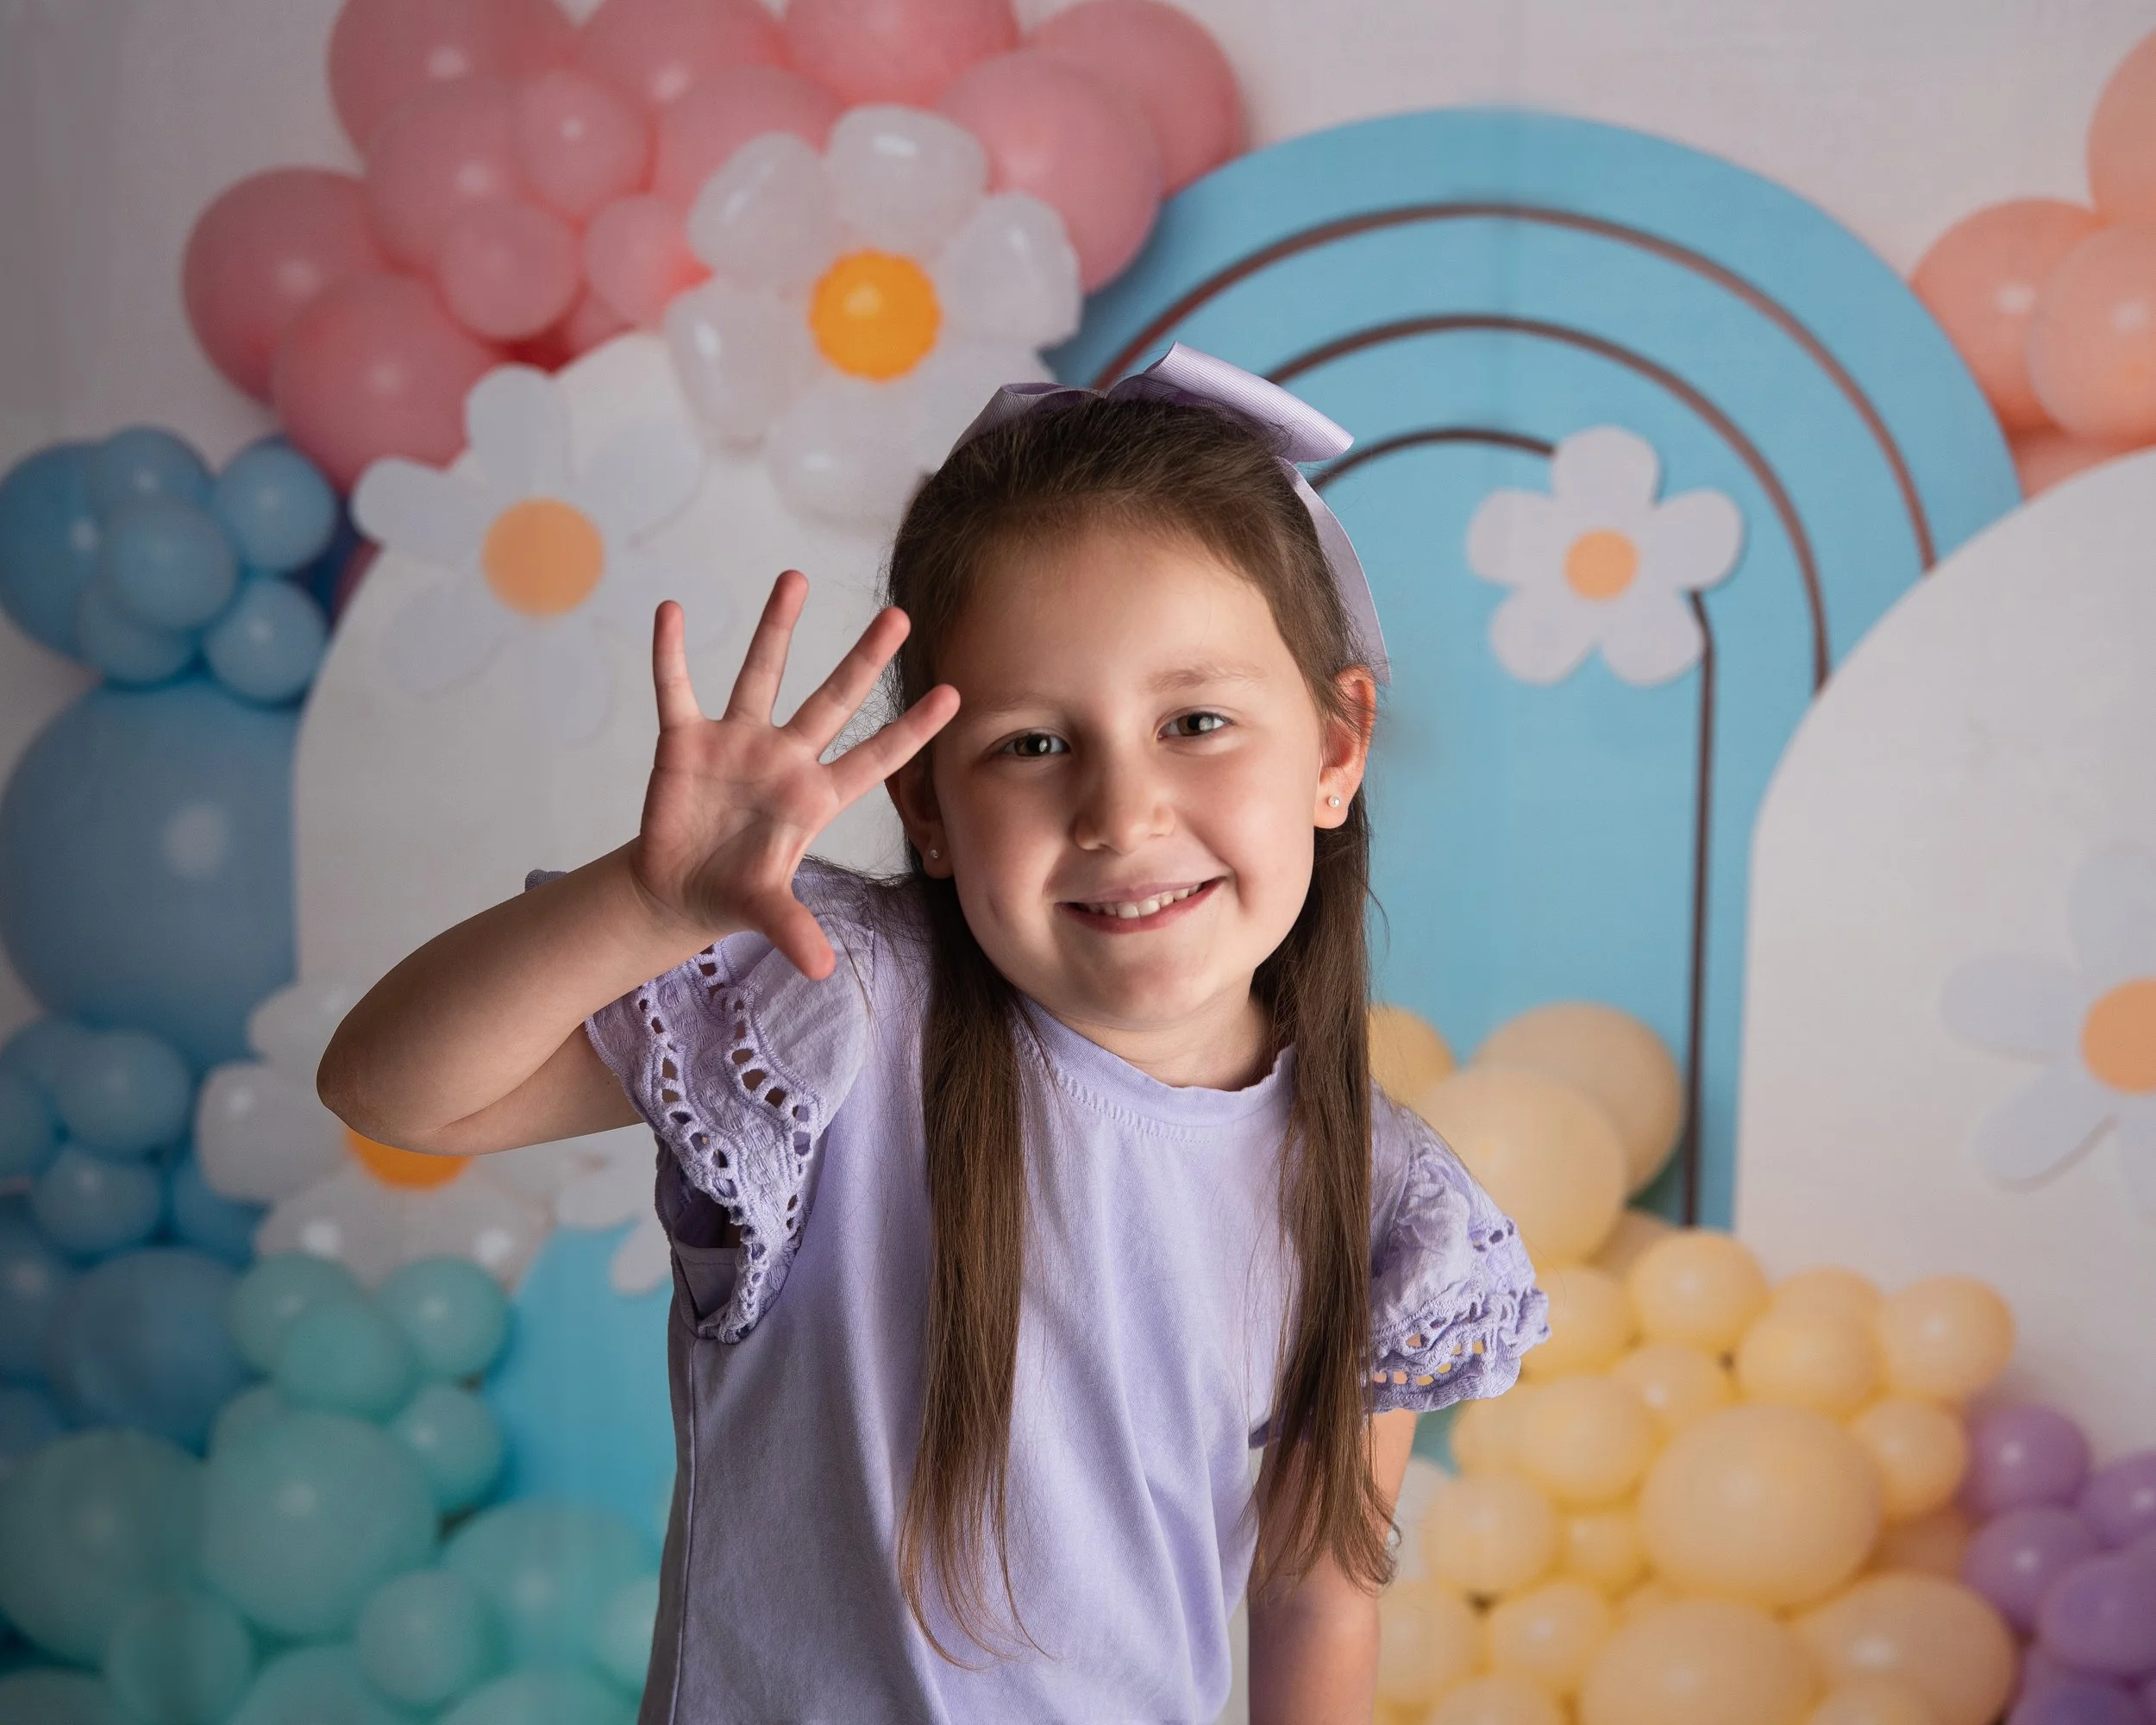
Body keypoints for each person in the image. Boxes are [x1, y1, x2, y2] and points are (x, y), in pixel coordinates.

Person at [318, 346, 1547, 1723]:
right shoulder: (839, 1011)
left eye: (1195, 721)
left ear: (1335, 746)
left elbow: (1316, 1593)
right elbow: (392, 1089)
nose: (1122, 812)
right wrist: (640, 904)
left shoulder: (1382, 1203)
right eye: (1032, 745)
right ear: (926, 811)